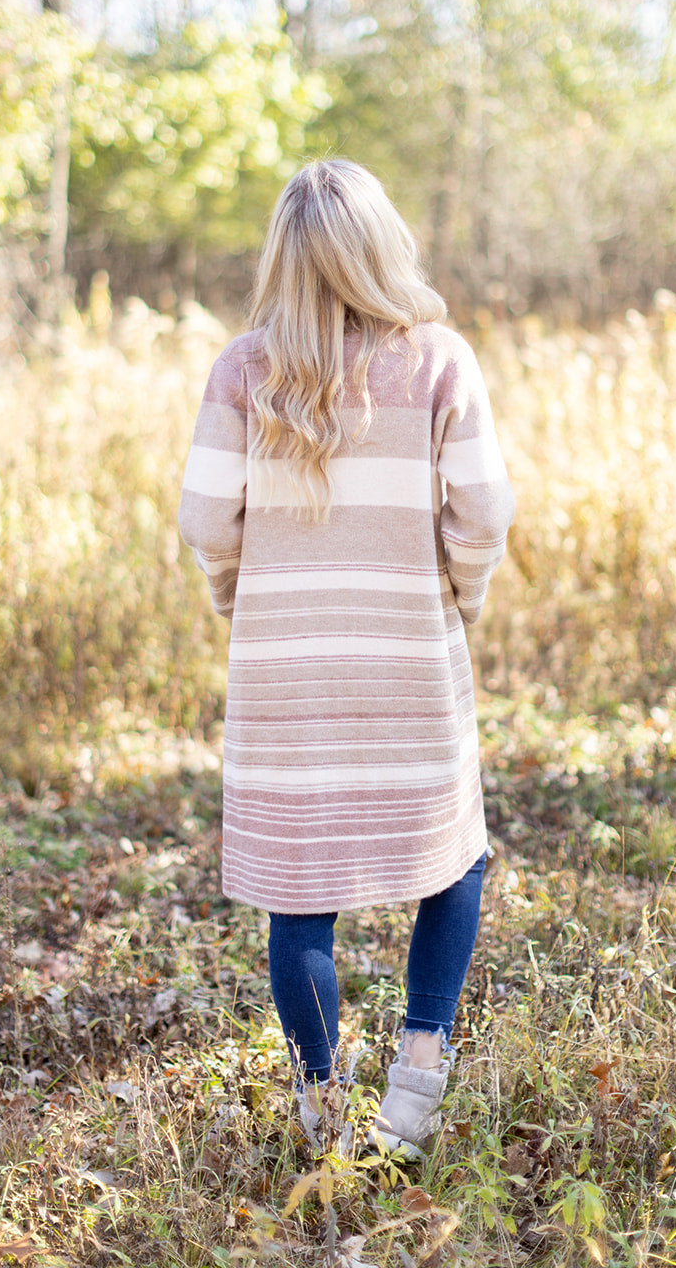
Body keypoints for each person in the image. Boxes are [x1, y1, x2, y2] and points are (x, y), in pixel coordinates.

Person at [177, 159, 515, 1157]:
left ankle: (320, 1101)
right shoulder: (439, 360)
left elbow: (205, 521)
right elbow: (483, 514)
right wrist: (462, 599)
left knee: (298, 886)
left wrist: (235, 598)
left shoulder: (241, 370)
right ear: (381, 247)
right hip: (410, 653)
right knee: (453, 855)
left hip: (284, 667)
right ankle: (415, 1070)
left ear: (280, 257)